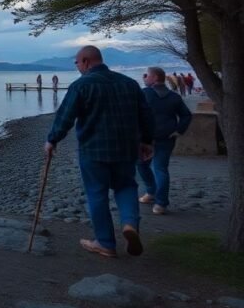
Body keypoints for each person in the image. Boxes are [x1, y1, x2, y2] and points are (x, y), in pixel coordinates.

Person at [45, 46, 154, 258]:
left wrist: (52, 140)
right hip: (125, 148)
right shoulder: (130, 83)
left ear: (85, 61)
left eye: (76, 63)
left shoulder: (81, 85)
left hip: (93, 149)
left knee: (97, 194)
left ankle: (105, 243)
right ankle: (130, 224)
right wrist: (147, 141)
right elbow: (146, 115)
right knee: (126, 187)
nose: (76, 67)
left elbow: (65, 117)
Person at [138, 66, 193, 215]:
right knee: (159, 169)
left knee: (144, 166)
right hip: (167, 137)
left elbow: (134, 114)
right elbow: (186, 115)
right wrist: (178, 130)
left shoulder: (144, 94)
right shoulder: (174, 96)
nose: (144, 77)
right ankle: (159, 202)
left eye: (146, 75)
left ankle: (153, 194)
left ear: (155, 77)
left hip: (146, 139)